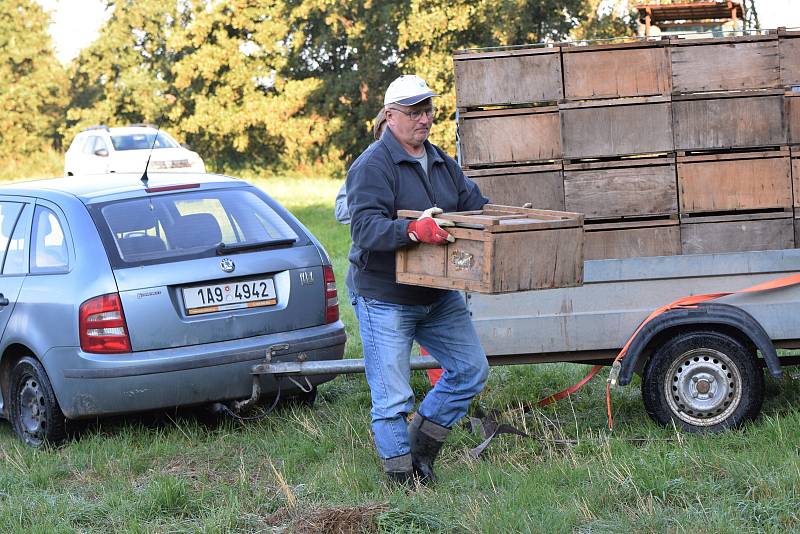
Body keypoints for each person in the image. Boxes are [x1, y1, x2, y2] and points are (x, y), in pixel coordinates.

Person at [346, 74, 490, 484]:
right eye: (413, 112)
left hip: (436, 292)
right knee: (392, 397)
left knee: (470, 370)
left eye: (427, 110)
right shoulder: (372, 166)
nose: (423, 119)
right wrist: (412, 231)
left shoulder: (442, 161)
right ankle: (402, 480)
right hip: (385, 295)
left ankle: (420, 452)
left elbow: (473, 207)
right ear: (390, 116)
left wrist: (508, 221)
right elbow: (365, 231)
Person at [335, 109, 387, 224]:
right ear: (378, 134)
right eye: (388, 133)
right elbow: (341, 211)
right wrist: (371, 199)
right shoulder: (366, 164)